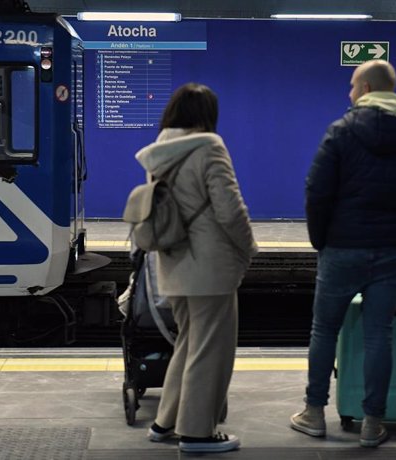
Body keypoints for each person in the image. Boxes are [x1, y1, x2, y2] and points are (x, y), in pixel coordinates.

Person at [290, 60, 396, 447]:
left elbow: (316, 192)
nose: (349, 93)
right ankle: (372, 422)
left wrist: (320, 239)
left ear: (364, 88)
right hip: (393, 250)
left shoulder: (341, 131)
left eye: (351, 86)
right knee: (380, 333)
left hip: (342, 247)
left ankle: (314, 413)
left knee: (324, 329)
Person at [136, 83, 258, 454]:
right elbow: (229, 209)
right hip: (211, 266)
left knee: (188, 344)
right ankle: (196, 434)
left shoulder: (160, 151)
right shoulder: (210, 147)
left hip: (173, 262)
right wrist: (249, 247)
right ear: (207, 115)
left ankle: (165, 422)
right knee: (210, 350)